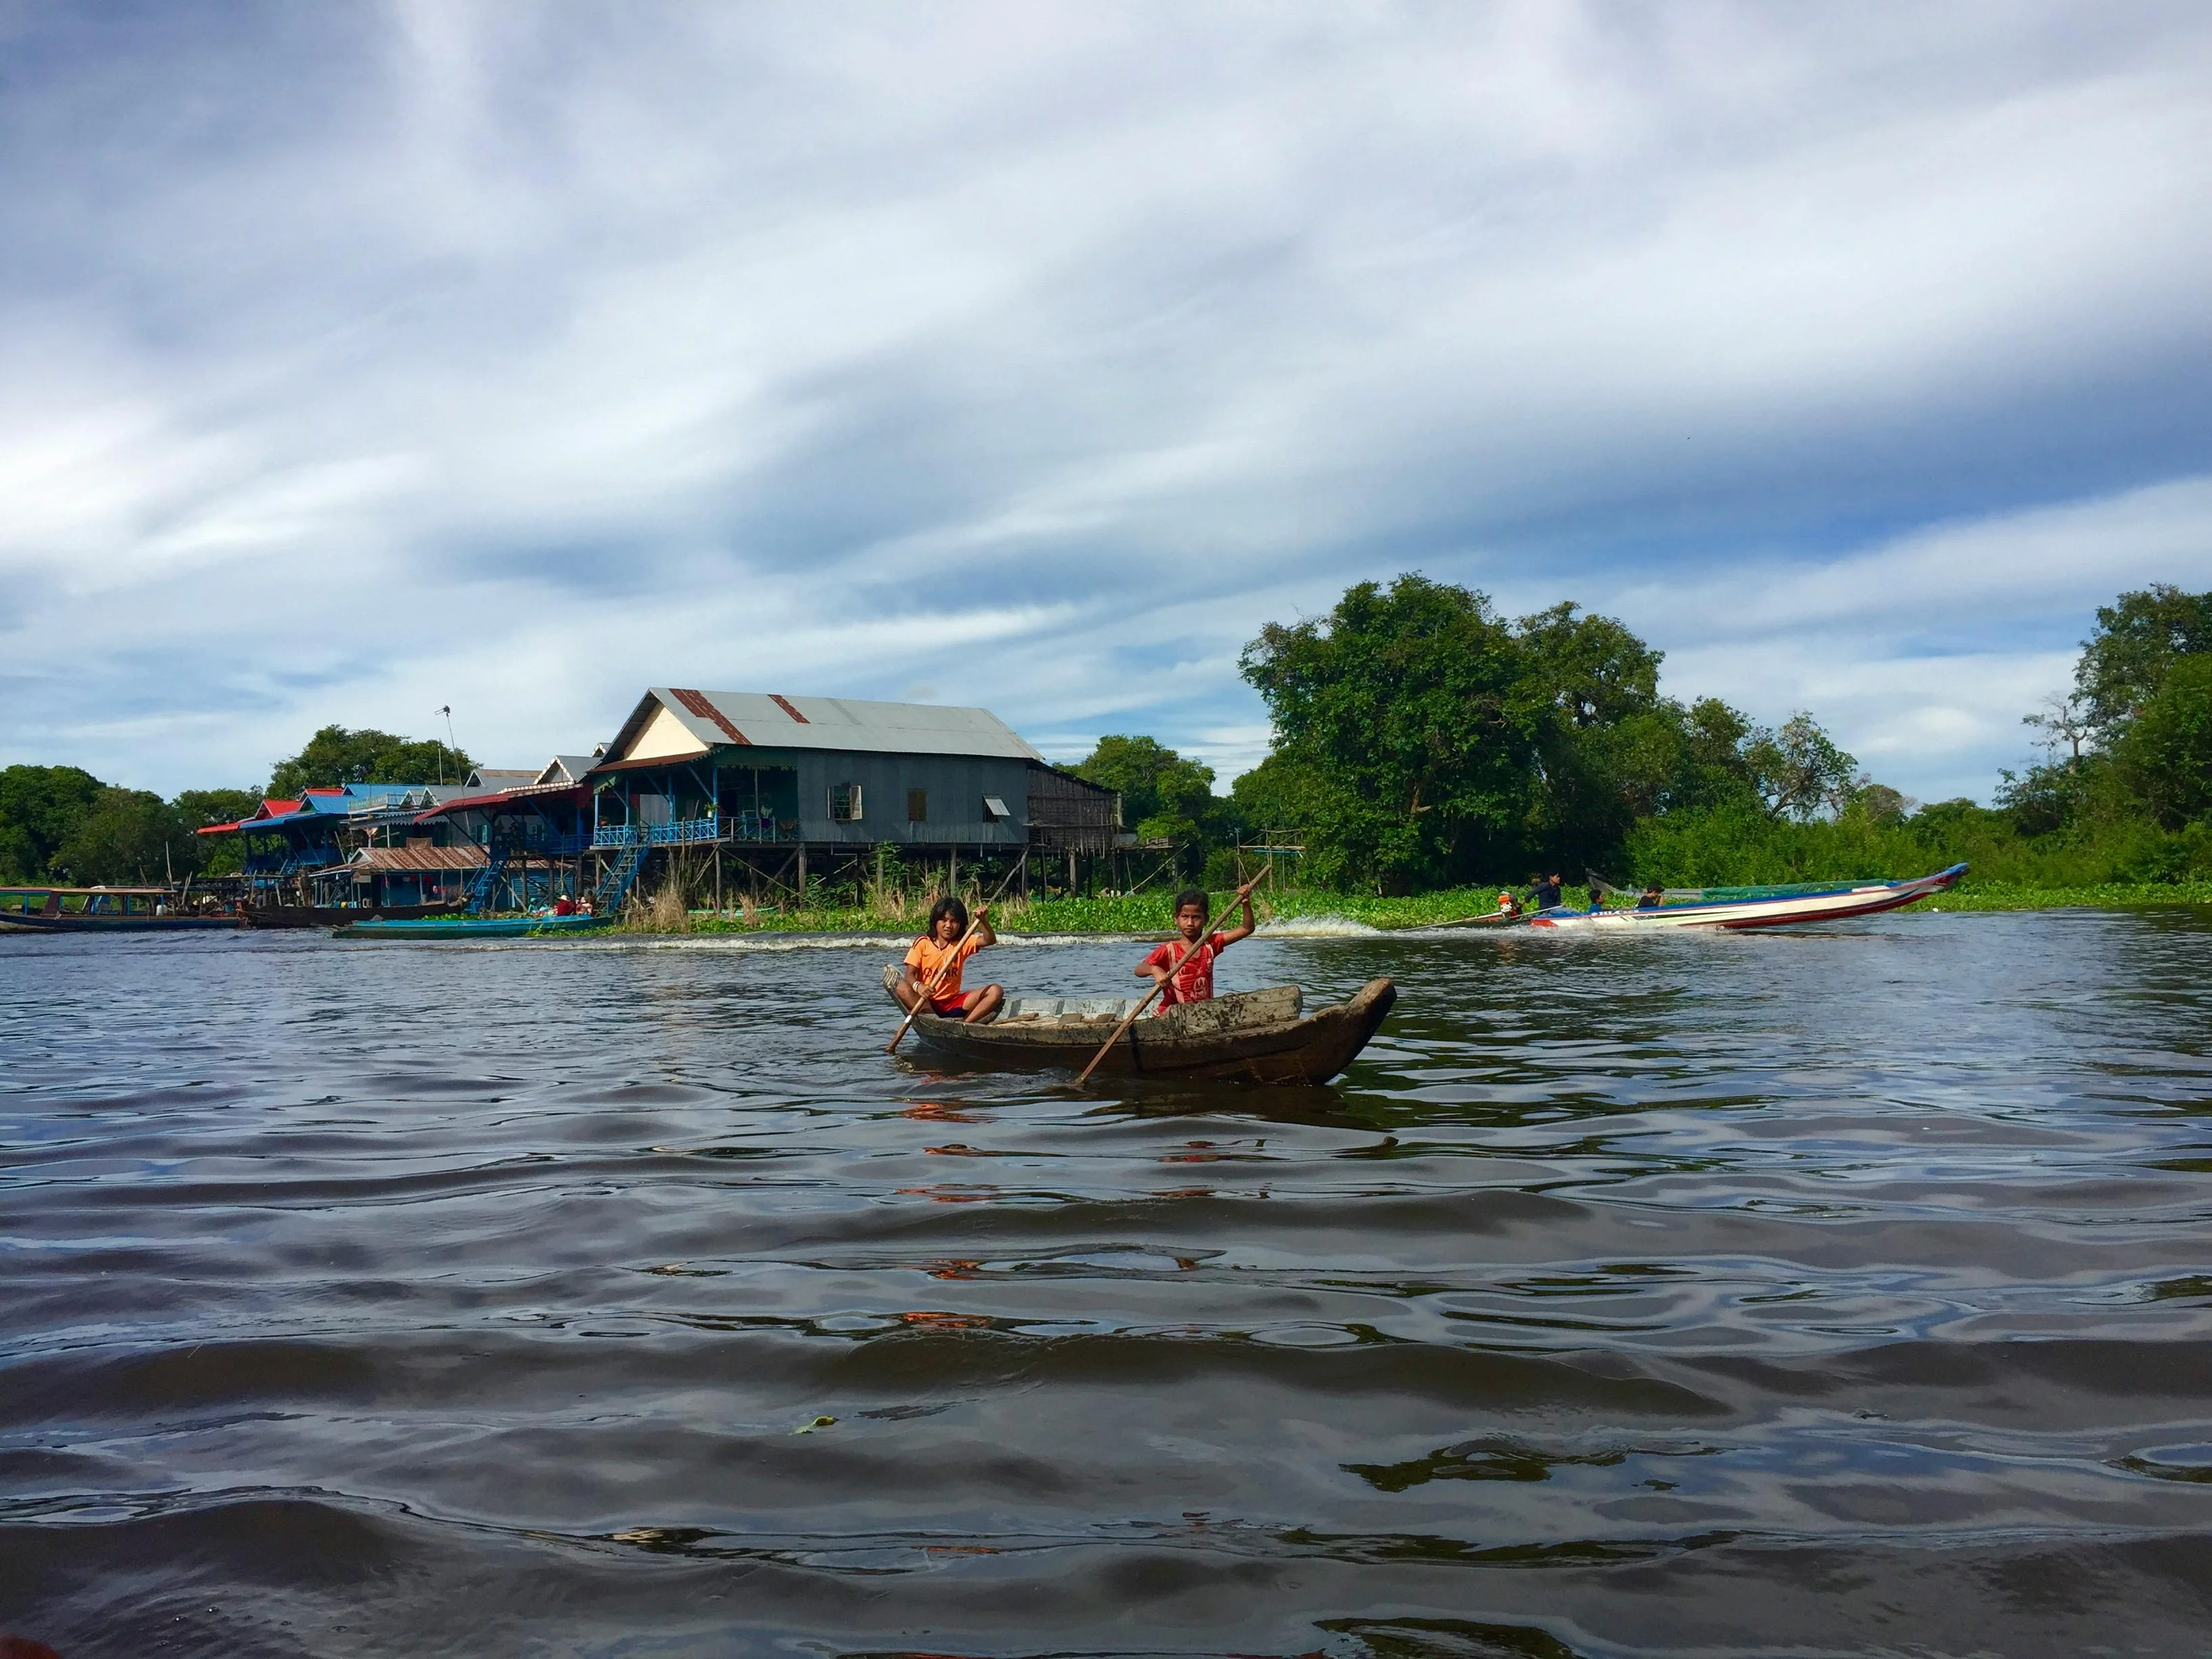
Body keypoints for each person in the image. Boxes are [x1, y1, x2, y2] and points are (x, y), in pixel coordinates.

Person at [1136, 881, 1258, 1013]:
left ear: (1206, 919)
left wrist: (1246, 903)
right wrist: (1155, 970)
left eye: (1196, 918)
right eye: (1185, 917)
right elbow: (1139, 969)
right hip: (1172, 1014)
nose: (1190, 923)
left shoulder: (1209, 945)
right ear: (1176, 919)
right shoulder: (1169, 949)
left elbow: (1247, 928)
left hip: (1202, 1013)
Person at [897, 897, 1003, 1025]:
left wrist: (983, 920)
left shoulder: (962, 943)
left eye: (954, 922)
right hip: (927, 1003)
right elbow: (910, 974)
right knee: (902, 988)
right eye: (944, 920)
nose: (948, 926)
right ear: (936, 921)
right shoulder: (923, 943)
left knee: (996, 991)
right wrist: (918, 986)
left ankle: (965, 1024)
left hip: (952, 1002)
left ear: (960, 924)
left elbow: (989, 940)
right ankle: (934, 1021)